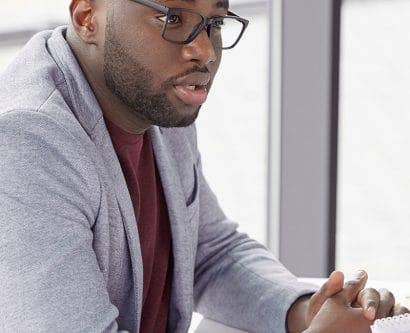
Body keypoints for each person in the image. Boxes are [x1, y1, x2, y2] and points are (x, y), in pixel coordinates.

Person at [0, 0, 407, 332]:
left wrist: (305, 309)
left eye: (214, 21)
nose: (205, 51)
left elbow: (209, 254)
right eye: (171, 18)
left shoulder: (155, 95)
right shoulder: (26, 141)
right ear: (87, 17)